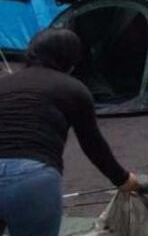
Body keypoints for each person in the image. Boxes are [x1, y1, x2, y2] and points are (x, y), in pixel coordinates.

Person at [0, 30, 140, 235]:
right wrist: (123, 179)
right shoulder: (73, 89)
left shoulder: (3, 84)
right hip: (32, 177)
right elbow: (92, 144)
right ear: (71, 60)